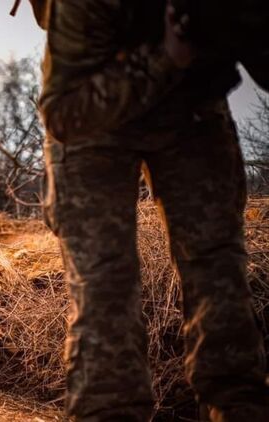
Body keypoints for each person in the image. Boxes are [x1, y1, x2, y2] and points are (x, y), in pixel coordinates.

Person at [37, 1, 267, 420]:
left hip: (191, 110)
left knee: (218, 269)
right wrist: (165, 58)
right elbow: (63, 114)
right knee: (104, 279)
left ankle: (237, 406)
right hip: (92, 113)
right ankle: (110, 411)